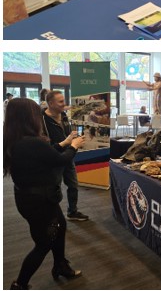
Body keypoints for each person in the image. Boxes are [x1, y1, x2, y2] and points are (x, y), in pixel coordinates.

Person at [4, 99, 85, 289]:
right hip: (40, 201)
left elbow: (46, 155)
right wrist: (73, 146)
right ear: (28, 118)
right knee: (44, 243)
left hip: (30, 198)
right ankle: (20, 284)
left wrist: (64, 142)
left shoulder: (17, 140)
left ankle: (60, 265)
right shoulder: (32, 142)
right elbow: (59, 160)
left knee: (60, 226)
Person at [42, 90, 89, 222]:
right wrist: (66, 142)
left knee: (73, 185)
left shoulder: (63, 115)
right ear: (50, 103)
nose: (64, 104)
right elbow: (45, 147)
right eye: (61, 101)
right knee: (54, 189)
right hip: (54, 159)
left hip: (69, 156)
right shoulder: (42, 120)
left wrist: (74, 139)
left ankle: (72, 212)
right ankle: (53, 216)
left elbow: (67, 134)